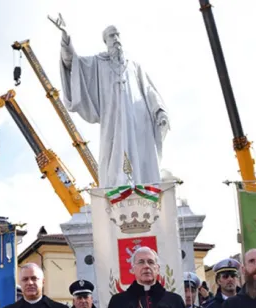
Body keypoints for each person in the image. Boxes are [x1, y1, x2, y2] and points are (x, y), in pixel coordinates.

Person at [52, 15, 170, 188]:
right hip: (114, 121)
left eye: (117, 35)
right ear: (105, 41)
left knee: (144, 159)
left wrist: (159, 110)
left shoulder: (133, 65)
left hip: (140, 120)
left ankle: (145, 190)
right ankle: (120, 189)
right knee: (114, 161)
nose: (116, 39)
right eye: (111, 36)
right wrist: (66, 37)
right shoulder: (98, 64)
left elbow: (149, 90)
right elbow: (71, 62)